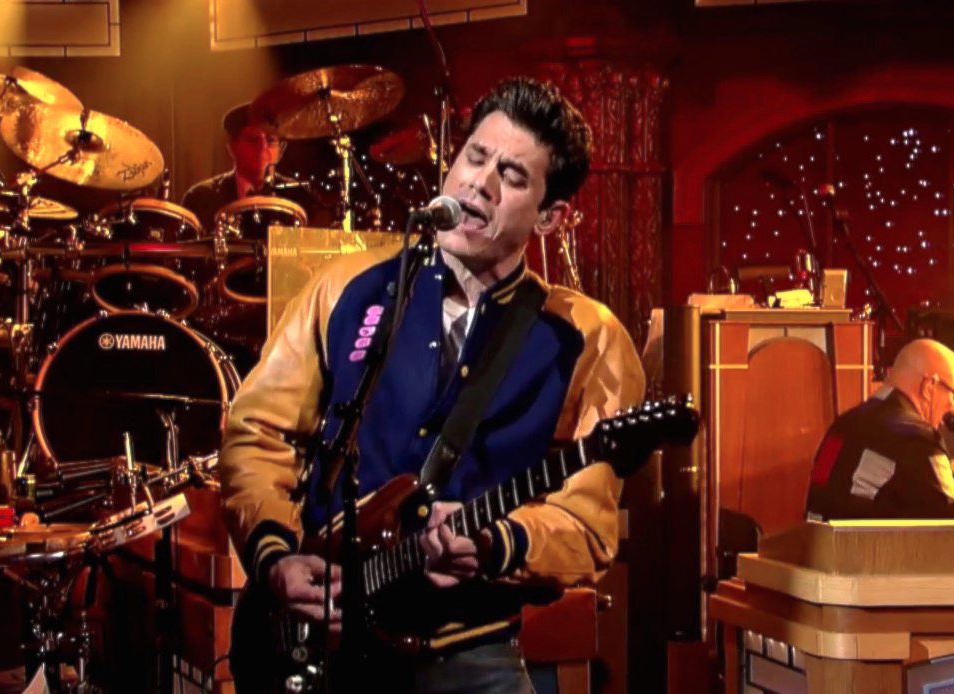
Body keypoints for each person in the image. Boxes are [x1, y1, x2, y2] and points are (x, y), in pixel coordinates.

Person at [220, 77, 646, 692]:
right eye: (475, 157)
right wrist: (275, 556)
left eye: (512, 177)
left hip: (469, 653)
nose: (480, 184)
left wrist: (500, 542)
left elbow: (587, 528)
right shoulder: (345, 288)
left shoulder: (587, 340)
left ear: (550, 218)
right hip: (314, 635)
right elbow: (257, 433)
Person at [806, 338, 954, 521]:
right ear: (928, 386)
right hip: (866, 540)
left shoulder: (841, 425)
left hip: (818, 537)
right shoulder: (918, 438)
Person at [181, 101, 324, 235]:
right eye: (253, 139)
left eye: (271, 140)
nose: (262, 148)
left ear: (281, 150)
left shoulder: (299, 197)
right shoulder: (202, 198)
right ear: (232, 146)